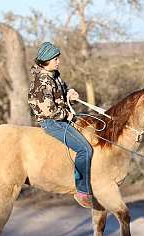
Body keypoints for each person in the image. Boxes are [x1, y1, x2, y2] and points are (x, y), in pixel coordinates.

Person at [28, 41, 95, 208]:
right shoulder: (41, 82)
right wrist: (68, 114)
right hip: (52, 123)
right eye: (56, 59)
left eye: (58, 58)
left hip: (63, 118)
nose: (59, 61)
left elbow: (61, 92)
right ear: (47, 60)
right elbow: (48, 111)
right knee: (84, 149)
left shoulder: (54, 75)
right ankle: (82, 191)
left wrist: (69, 93)